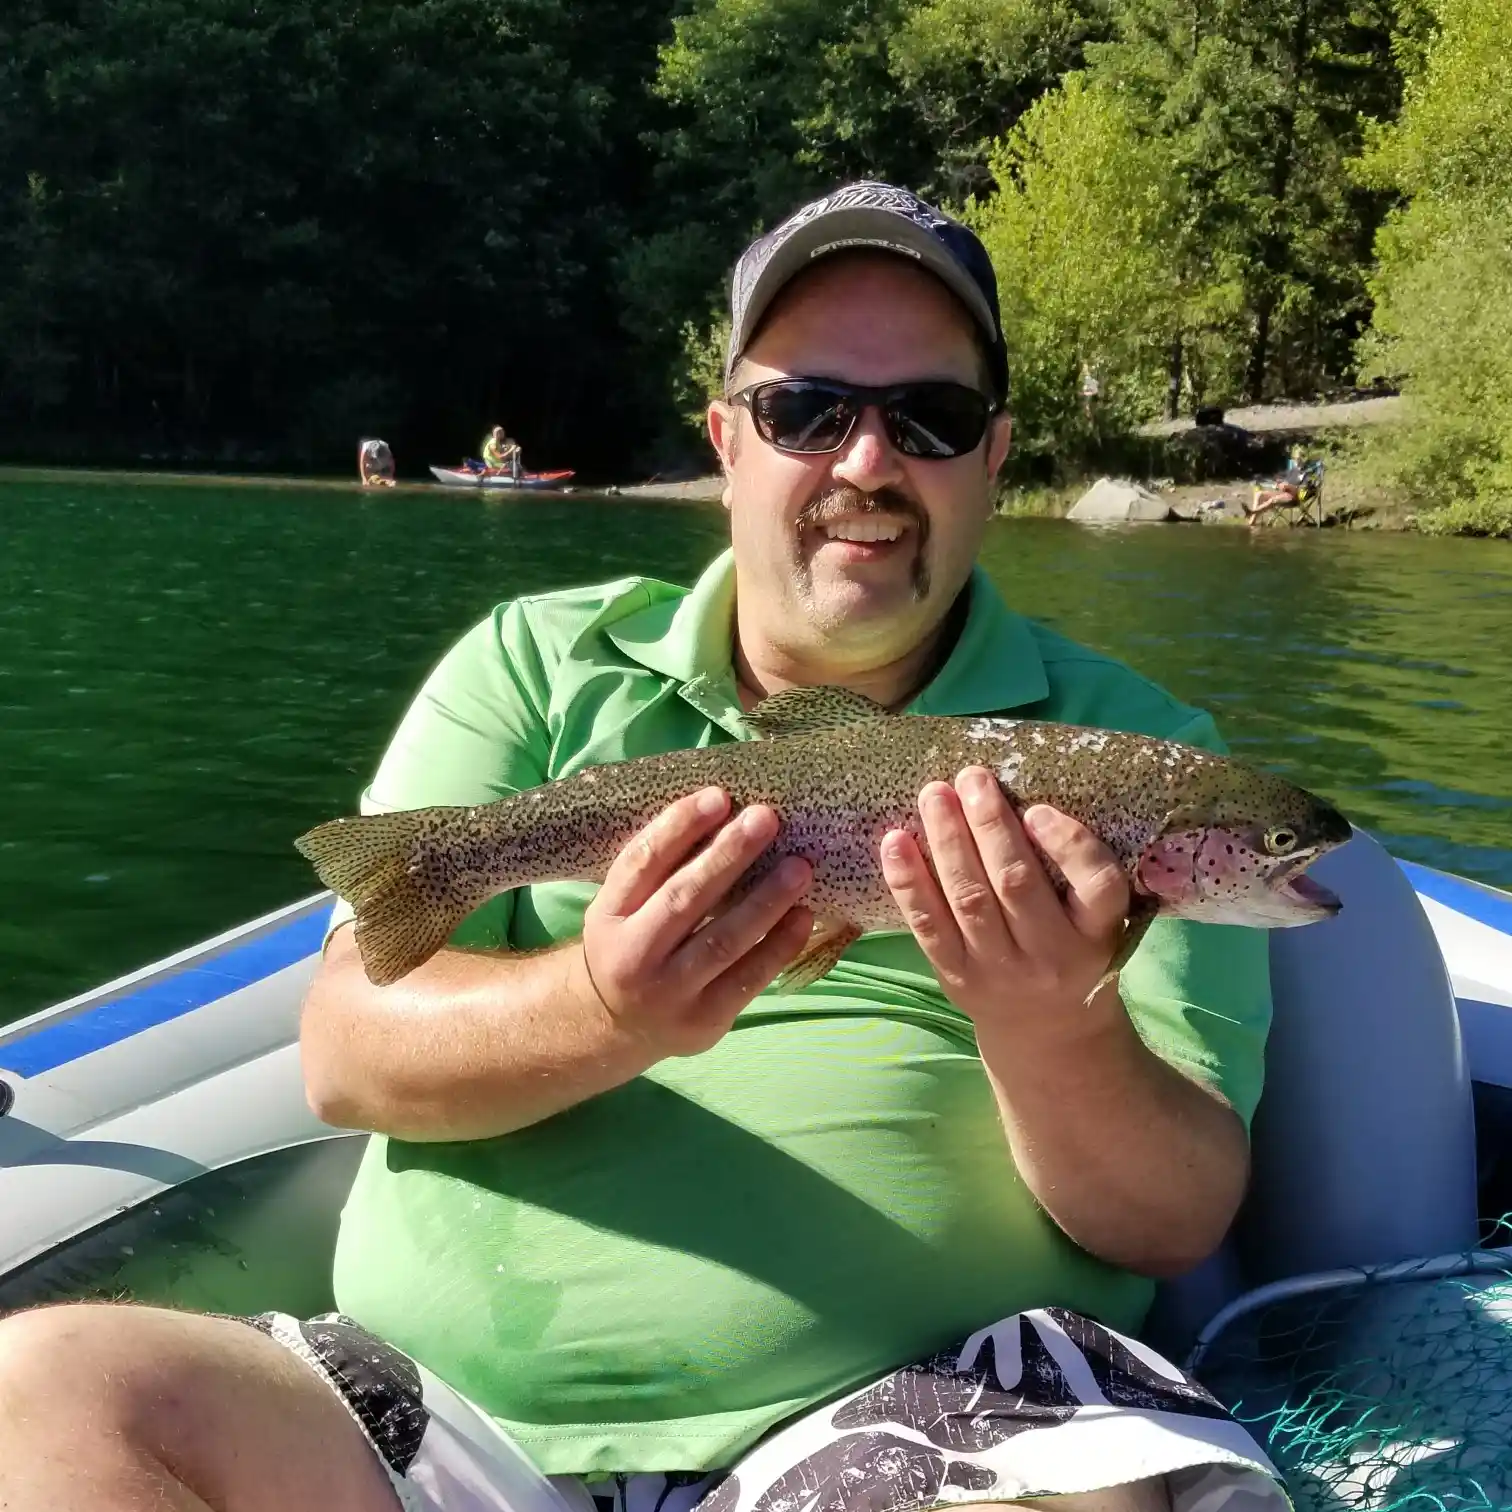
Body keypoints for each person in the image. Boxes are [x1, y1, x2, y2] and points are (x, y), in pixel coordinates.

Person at [0, 182, 1285, 1512]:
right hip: (431, 1429)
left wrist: (1048, 1023)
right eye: (808, 411)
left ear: (996, 453)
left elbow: (1171, 1218)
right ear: (727, 438)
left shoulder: (1139, 757)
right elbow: (346, 1054)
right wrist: (606, 1007)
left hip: (943, 1426)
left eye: (930, 418)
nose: (866, 463)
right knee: (38, 1399)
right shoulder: (536, 663)